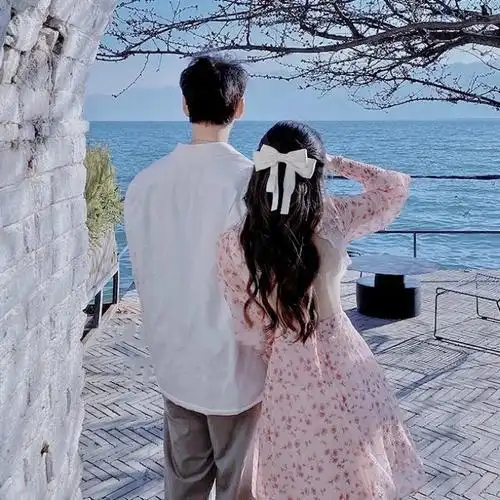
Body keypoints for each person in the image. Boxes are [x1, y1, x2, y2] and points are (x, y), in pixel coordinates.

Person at [216, 121, 426, 499]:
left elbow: (246, 317)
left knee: (299, 468)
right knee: (356, 466)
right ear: (314, 173)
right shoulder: (334, 215)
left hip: (287, 363)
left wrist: (274, 347)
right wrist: (337, 162)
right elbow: (393, 187)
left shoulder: (238, 240)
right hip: (344, 354)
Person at [124, 56, 265, 500]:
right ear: (239, 107)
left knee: (182, 486)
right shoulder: (250, 184)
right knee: (240, 488)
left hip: (175, 360)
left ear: (184, 106)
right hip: (238, 367)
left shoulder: (144, 185)